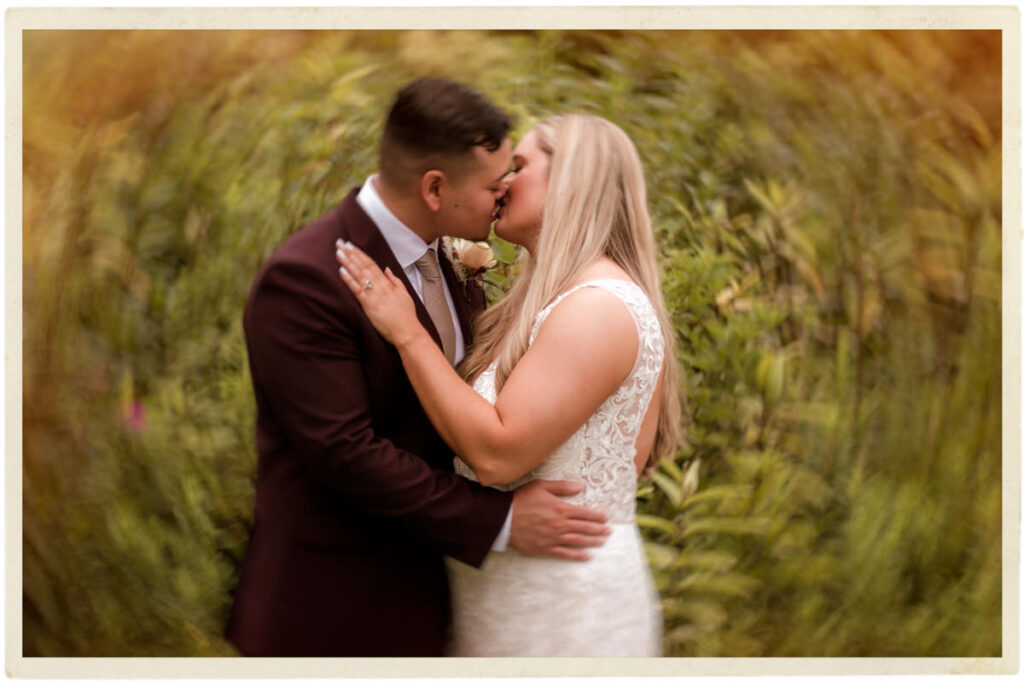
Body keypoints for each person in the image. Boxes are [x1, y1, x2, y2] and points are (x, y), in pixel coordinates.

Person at [225, 80, 612, 657]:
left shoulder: (449, 258)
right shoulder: (308, 279)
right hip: (334, 612)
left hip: (432, 599)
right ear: (435, 188)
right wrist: (501, 519)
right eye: (492, 184)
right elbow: (345, 454)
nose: (504, 194)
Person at [336, 113, 683, 656]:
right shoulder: (552, 300)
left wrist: (408, 334)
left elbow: (498, 454)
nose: (501, 182)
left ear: (571, 179)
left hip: (564, 613)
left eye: (518, 166)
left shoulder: (597, 307)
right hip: (512, 598)